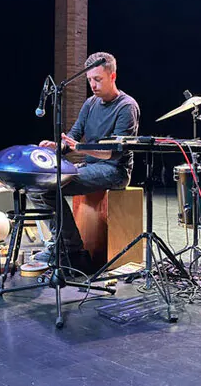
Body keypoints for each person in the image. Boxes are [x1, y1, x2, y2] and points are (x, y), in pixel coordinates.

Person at [29, 52, 140, 266]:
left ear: (112, 76)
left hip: (115, 171)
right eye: (89, 80)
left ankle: (71, 250)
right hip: (91, 166)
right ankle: (61, 243)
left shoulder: (126, 106)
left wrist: (77, 147)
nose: (93, 85)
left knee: (50, 187)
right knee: (37, 185)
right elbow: (73, 135)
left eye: (98, 79)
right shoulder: (90, 103)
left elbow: (114, 153)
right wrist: (57, 147)